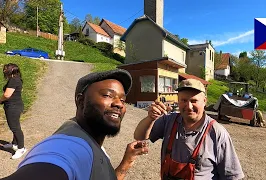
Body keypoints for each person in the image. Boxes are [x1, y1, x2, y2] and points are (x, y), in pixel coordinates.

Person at [2, 69, 148, 180]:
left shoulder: (92, 140)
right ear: (80, 101)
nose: (118, 104)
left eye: (123, 100)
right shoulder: (68, 146)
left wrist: (127, 161)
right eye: (107, 95)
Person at [134, 78, 245, 180]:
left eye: (194, 101)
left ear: (205, 101)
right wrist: (150, 118)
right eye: (184, 100)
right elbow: (139, 137)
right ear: (178, 100)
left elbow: (232, 176)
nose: (189, 106)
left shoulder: (217, 133)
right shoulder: (168, 121)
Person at [0, 63, 27, 159]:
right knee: (14, 126)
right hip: (15, 105)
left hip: (13, 107)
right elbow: (20, 91)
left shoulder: (13, 80)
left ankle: (21, 148)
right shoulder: (17, 79)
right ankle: (14, 144)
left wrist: (0, 100)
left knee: (15, 128)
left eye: (5, 69)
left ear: (11, 70)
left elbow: (7, 95)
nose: (4, 71)